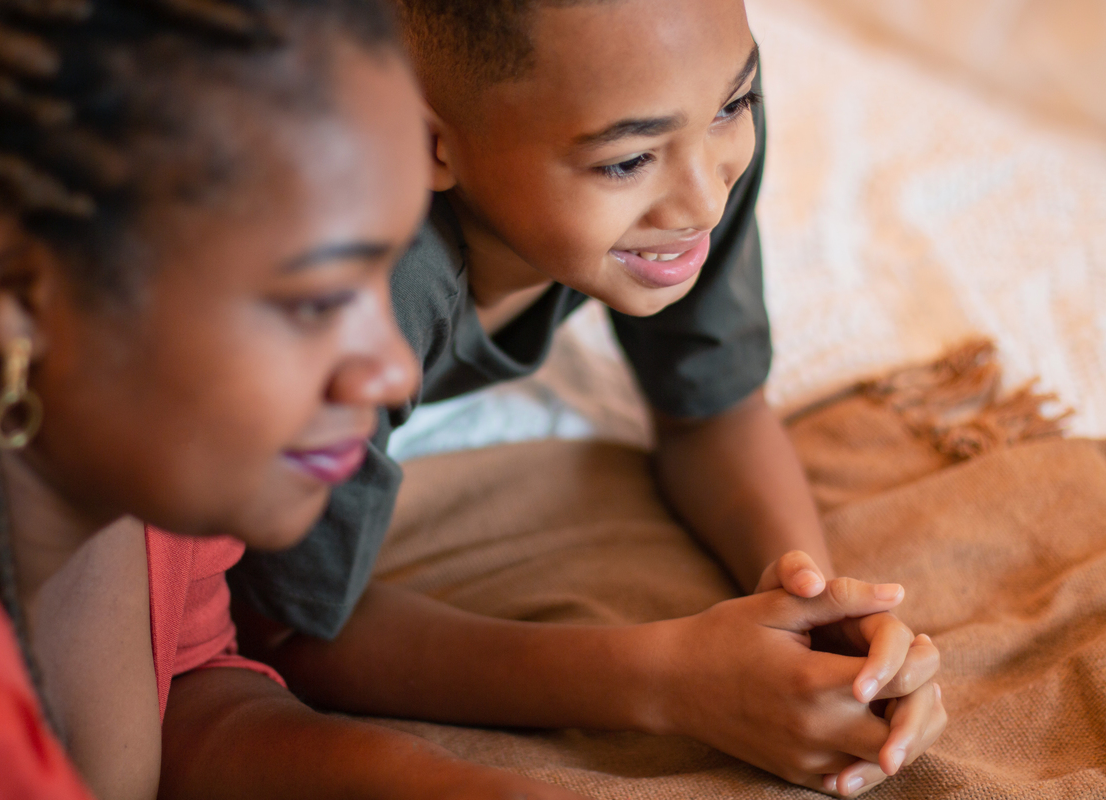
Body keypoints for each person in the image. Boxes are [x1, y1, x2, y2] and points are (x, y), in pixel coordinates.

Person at [229, 0, 949, 796]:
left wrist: (814, 609)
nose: (703, 202)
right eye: (625, 163)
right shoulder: (364, 296)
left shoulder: (687, 117)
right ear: (425, 140)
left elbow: (711, 408)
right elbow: (285, 626)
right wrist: (668, 679)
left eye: (735, 107)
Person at [0, 1, 585, 798]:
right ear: (16, 289)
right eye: (316, 301)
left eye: (385, 280)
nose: (394, 375)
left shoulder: (143, 465)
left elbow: (193, 693)